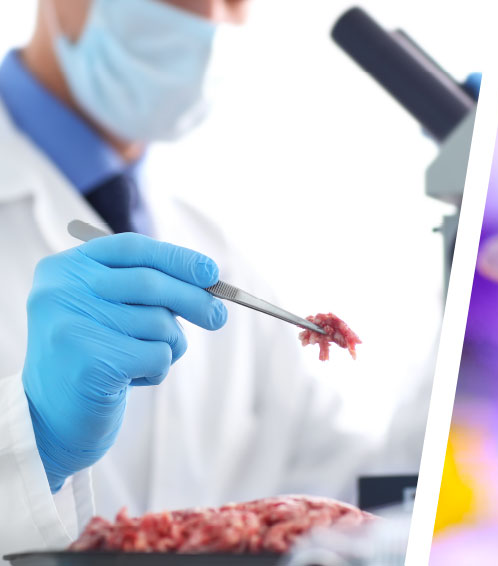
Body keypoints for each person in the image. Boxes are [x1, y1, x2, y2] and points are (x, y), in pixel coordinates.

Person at [0, 0, 420, 557]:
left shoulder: (223, 246)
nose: (212, 16)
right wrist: (32, 450)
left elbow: (355, 497)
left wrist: (470, 278)